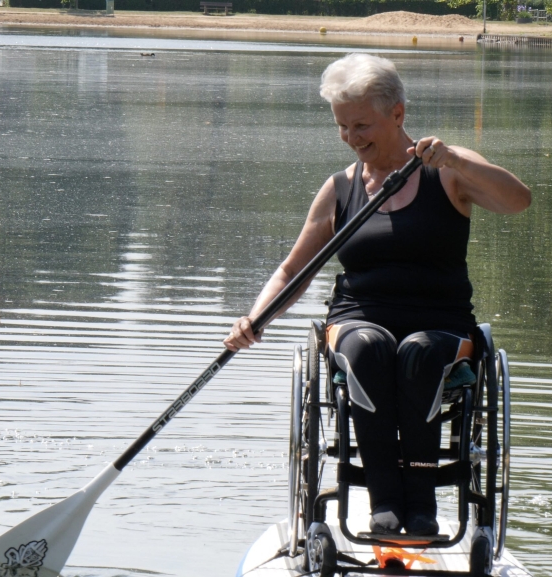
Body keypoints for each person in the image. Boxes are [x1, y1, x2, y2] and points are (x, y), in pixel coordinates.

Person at [225, 53, 530, 536]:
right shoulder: (339, 190)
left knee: (418, 353)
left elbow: (518, 200)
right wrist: (253, 319)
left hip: (442, 325)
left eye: (361, 125)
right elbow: (293, 270)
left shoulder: (449, 170)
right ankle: (385, 504)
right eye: (342, 127)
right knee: (371, 348)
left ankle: (422, 506)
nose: (351, 138)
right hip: (357, 319)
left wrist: (452, 157)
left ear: (398, 114)